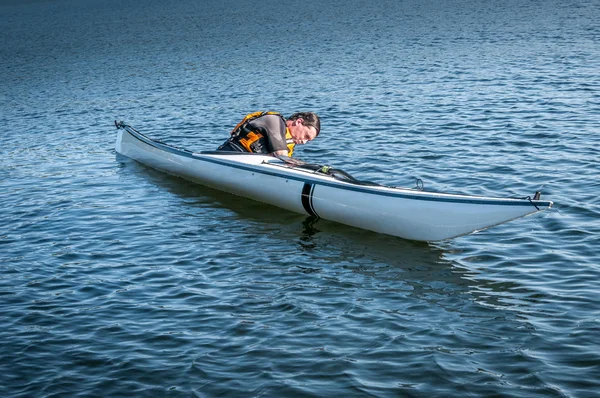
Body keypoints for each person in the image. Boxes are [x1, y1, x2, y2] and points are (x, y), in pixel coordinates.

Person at [217, 111, 320, 157]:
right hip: (227, 156)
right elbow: (282, 156)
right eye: (306, 136)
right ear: (298, 122)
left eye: (308, 140)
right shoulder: (273, 120)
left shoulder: (289, 143)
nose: (304, 142)